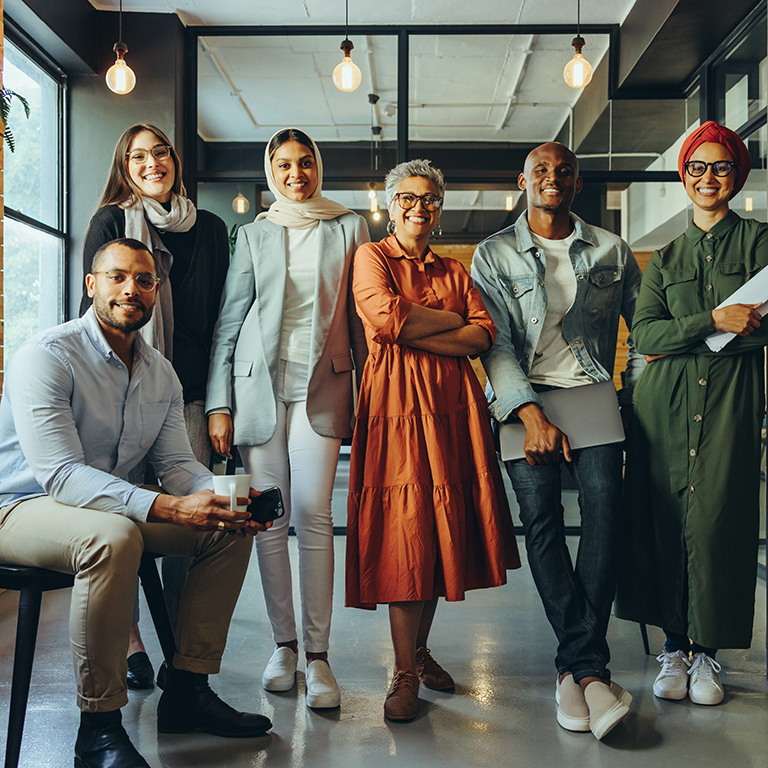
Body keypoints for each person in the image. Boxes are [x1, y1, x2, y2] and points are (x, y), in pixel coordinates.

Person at [0, 239, 272, 768]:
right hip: (19, 507)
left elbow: (177, 466)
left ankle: (188, 691)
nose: (131, 289)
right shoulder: (47, 356)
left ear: (156, 291)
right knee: (115, 537)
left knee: (226, 528)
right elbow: (61, 477)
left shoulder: (160, 372)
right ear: (92, 285)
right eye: (118, 277)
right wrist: (169, 507)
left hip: (105, 508)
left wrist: (225, 496)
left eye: (144, 280)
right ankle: (98, 728)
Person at [471, 142, 643, 740]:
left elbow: (640, 329)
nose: (553, 178)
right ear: (522, 180)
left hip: (593, 392)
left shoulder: (612, 249)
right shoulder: (493, 253)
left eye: (563, 170)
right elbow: (493, 344)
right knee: (541, 518)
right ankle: (590, 670)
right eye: (541, 169)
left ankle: (578, 670)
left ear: (577, 182)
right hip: (525, 397)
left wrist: (636, 401)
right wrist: (528, 412)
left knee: (605, 511)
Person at [346, 158, 520, 722]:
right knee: (406, 529)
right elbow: (386, 320)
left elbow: (482, 336)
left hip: (450, 407)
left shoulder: (454, 268)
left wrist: (420, 327)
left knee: (439, 525)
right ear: (391, 205)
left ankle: (419, 654)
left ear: (438, 209)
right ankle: (401, 671)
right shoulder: (369, 257)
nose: (418, 207)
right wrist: (445, 326)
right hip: (395, 407)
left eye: (429, 199)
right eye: (407, 198)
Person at [206, 128, 370, 709]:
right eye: (283, 164)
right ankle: (285, 646)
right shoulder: (253, 234)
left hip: (322, 386)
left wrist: (368, 393)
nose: (296, 173)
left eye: (304, 163)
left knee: (314, 513)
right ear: (270, 171)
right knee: (270, 519)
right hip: (258, 389)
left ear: (317, 166)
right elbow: (231, 320)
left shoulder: (348, 227)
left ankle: (321, 658)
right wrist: (218, 402)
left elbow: (359, 316)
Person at [615, 121, 768, 706]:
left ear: (736, 174)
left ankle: (708, 652)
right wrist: (714, 321)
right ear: (685, 176)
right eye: (697, 168)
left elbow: (762, 329)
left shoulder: (758, 241)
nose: (709, 178)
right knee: (663, 523)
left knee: (717, 521)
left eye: (720, 166)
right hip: (664, 405)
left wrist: (703, 333)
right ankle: (673, 647)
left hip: (729, 399)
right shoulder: (665, 257)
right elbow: (647, 336)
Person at [80, 123, 229, 689]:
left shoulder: (210, 227)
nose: (151, 163)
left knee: (187, 521)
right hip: (119, 386)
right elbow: (95, 305)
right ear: (125, 166)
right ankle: (131, 642)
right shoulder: (113, 221)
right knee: (120, 515)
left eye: (160, 152)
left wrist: (219, 400)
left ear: (175, 160)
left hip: (182, 390)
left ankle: (180, 650)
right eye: (137, 156)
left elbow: (220, 319)